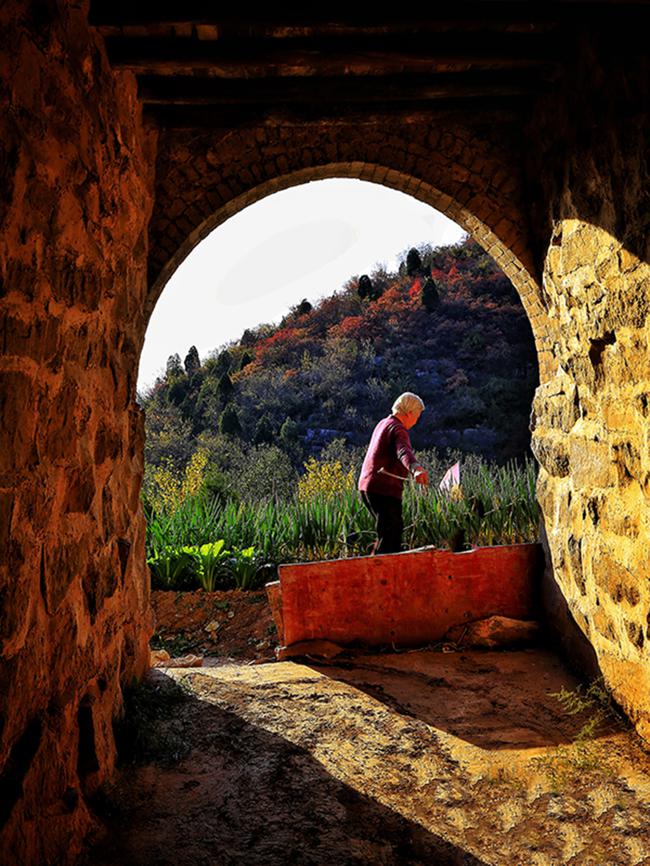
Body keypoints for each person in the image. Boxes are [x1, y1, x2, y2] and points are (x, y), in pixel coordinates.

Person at [358, 392, 429, 554]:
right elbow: (403, 451)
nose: (416, 421)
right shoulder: (398, 428)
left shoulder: (383, 423)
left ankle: (375, 563)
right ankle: (383, 569)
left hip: (367, 487)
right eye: (417, 416)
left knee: (387, 533)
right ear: (409, 413)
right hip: (383, 489)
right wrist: (415, 468)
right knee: (391, 538)